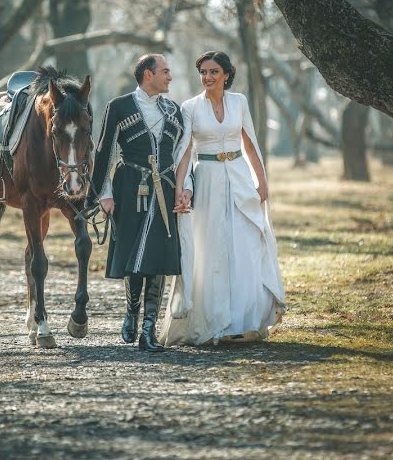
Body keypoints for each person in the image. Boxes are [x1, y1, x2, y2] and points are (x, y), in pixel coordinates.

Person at [161, 51, 285, 346]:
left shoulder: (239, 102)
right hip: (207, 178)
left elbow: (250, 142)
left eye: (214, 71)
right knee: (212, 246)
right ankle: (215, 321)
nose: (207, 77)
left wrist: (262, 181)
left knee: (245, 242)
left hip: (240, 177)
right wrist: (181, 189)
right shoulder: (190, 107)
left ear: (226, 75)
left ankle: (246, 322)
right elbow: (184, 152)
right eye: (203, 72)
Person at [87, 53, 189, 352]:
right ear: (148, 74)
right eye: (165, 71)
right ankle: (131, 313)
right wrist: (104, 193)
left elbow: (183, 152)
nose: (170, 77)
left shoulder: (174, 109)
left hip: (166, 190)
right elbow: (104, 149)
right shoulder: (119, 107)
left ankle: (149, 330)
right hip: (129, 186)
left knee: (157, 257)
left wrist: (186, 188)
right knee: (133, 254)